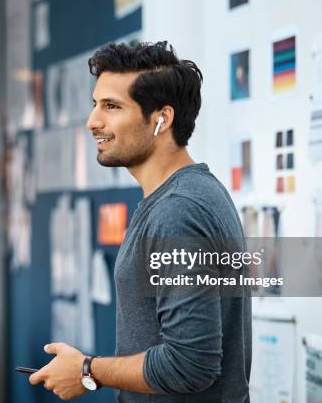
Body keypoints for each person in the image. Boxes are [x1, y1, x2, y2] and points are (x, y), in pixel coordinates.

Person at [29, 41, 251, 402]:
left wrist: (87, 370)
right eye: (95, 104)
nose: (92, 122)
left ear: (162, 119)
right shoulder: (187, 194)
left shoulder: (179, 210)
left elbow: (189, 364)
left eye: (112, 107)